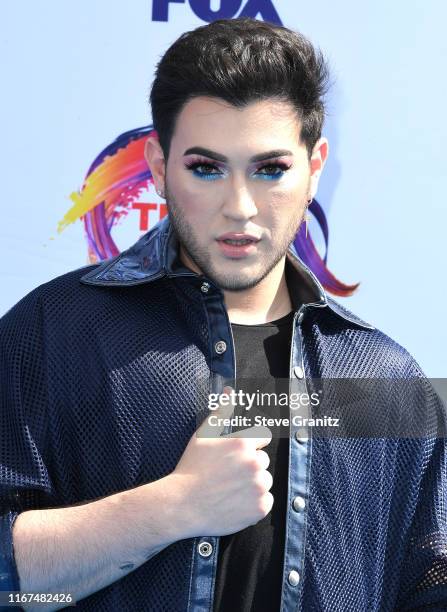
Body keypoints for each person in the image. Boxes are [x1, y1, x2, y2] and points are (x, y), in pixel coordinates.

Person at [1, 16, 446, 612]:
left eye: (270, 170)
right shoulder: (51, 333)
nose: (239, 208)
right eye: (205, 168)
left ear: (315, 168)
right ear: (158, 167)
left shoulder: (386, 378)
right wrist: (174, 505)